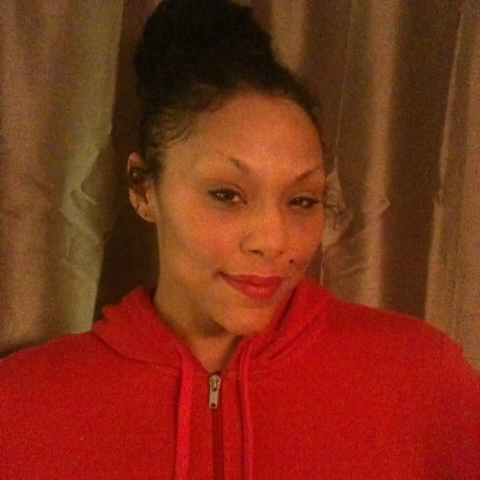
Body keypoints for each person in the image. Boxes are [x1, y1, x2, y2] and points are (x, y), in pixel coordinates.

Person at [1, 0, 479, 479]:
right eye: (227, 195)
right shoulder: (21, 405)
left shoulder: (420, 376)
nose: (274, 240)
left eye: (302, 200)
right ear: (143, 189)